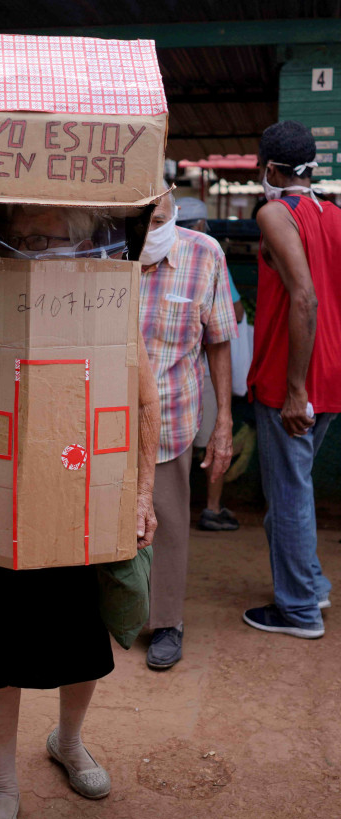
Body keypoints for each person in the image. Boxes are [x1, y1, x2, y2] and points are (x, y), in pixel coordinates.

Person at [0, 205, 161, 819]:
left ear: (88, 240)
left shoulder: (111, 310)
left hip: (86, 508)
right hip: (5, 513)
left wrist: (142, 494)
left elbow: (146, 399)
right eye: (31, 238)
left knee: (83, 642)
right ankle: (4, 784)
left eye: (59, 239)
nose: (46, 251)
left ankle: (68, 740)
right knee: (0, 649)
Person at [244, 120, 341, 639]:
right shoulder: (334, 216)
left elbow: (305, 297)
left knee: (287, 493)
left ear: (272, 169)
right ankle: (314, 585)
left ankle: (299, 609)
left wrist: (296, 390)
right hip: (331, 372)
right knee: (296, 488)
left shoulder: (275, 213)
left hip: (293, 379)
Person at [139, 187, 238, 670]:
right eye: (142, 223)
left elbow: (219, 341)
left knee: (168, 524)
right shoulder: (107, 250)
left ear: (173, 209)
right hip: (101, 421)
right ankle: (109, 616)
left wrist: (223, 421)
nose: (149, 232)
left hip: (170, 417)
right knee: (98, 521)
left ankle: (166, 622)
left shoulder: (204, 254)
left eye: (157, 221)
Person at [177, 196, 244, 532]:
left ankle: (175, 506)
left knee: (182, 447)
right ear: (202, 225)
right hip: (198, 367)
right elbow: (235, 313)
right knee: (208, 443)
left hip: (179, 368)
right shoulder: (208, 256)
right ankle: (211, 508)